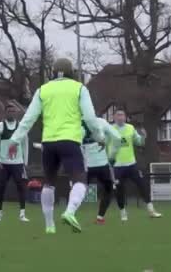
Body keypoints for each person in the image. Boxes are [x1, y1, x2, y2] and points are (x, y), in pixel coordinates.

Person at [10, 58, 105, 234]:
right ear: (72, 72)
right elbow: (91, 118)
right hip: (70, 141)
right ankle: (69, 212)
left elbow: (28, 118)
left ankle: (49, 226)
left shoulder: (42, 90)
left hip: (49, 143)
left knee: (49, 182)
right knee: (80, 179)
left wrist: (15, 140)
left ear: (53, 72)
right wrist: (99, 136)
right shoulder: (79, 88)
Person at [110, 110, 162, 221]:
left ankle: (151, 210)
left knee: (143, 186)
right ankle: (123, 213)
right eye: (118, 115)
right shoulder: (109, 129)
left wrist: (143, 137)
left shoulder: (130, 128)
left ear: (125, 117)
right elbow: (103, 143)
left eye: (122, 115)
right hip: (117, 166)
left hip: (131, 164)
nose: (121, 117)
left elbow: (139, 142)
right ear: (114, 117)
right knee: (120, 190)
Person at [0, 103, 30, 224]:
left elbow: (25, 145)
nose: (11, 113)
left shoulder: (21, 127)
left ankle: (22, 214)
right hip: (3, 163)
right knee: (1, 188)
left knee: (21, 188)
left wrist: (25, 162)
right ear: (5, 113)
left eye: (13, 111)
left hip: (18, 163)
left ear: (16, 113)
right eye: (9, 111)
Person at [83, 120, 120, 225]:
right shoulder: (101, 122)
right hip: (102, 166)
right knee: (108, 190)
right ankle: (100, 217)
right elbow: (118, 138)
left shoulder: (76, 123)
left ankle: (70, 213)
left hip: (86, 166)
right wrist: (112, 156)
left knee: (78, 189)